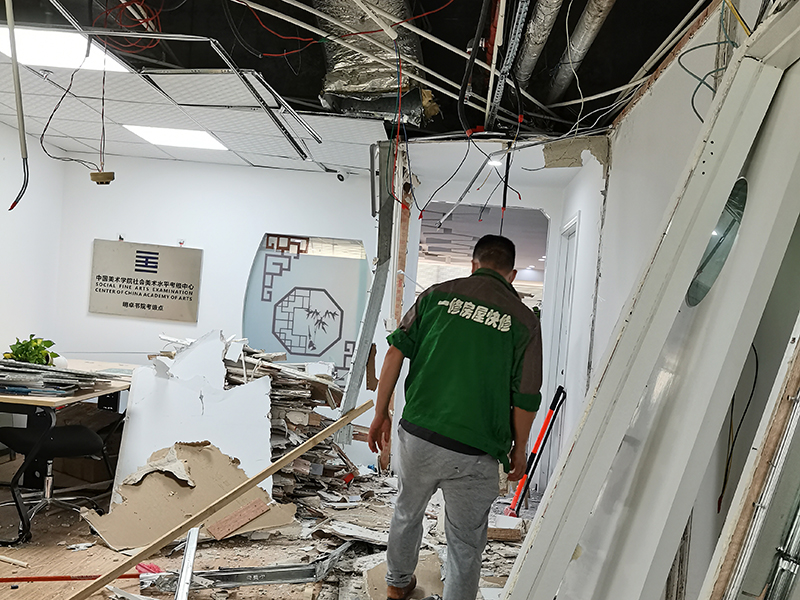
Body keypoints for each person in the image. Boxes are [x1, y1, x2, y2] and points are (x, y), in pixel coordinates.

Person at [368, 234, 542, 600]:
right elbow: (525, 398)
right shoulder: (524, 321)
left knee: (407, 511)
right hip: (476, 449)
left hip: (420, 434)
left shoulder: (436, 295)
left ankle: (396, 585)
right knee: (465, 541)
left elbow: (395, 353)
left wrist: (381, 413)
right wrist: (520, 449)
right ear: (511, 274)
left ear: (473, 264)